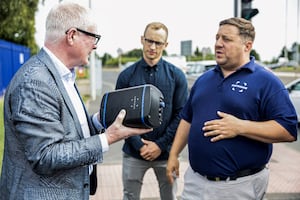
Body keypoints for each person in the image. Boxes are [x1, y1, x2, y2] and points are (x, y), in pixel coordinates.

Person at [0, 2, 152, 200]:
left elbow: (67, 131)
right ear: (71, 35)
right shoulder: (35, 82)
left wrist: (98, 121)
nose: (96, 45)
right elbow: (45, 155)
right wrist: (108, 138)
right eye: (93, 37)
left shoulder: (62, 76)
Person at [166, 17, 298, 200]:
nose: (218, 44)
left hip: (239, 186)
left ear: (247, 45)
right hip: (194, 182)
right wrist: (173, 154)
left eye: (226, 39)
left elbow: (288, 130)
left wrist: (240, 127)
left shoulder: (266, 81)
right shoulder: (204, 80)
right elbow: (187, 118)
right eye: (217, 38)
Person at [115, 22, 188, 200]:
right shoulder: (126, 76)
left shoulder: (177, 76)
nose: (153, 47)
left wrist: (160, 145)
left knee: (169, 197)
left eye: (159, 43)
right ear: (142, 40)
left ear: (166, 45)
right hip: (134, 152)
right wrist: (139, 145)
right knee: (130, 197)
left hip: (166, 154)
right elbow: (119, 116)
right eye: (149, 41)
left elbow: (181, 114)